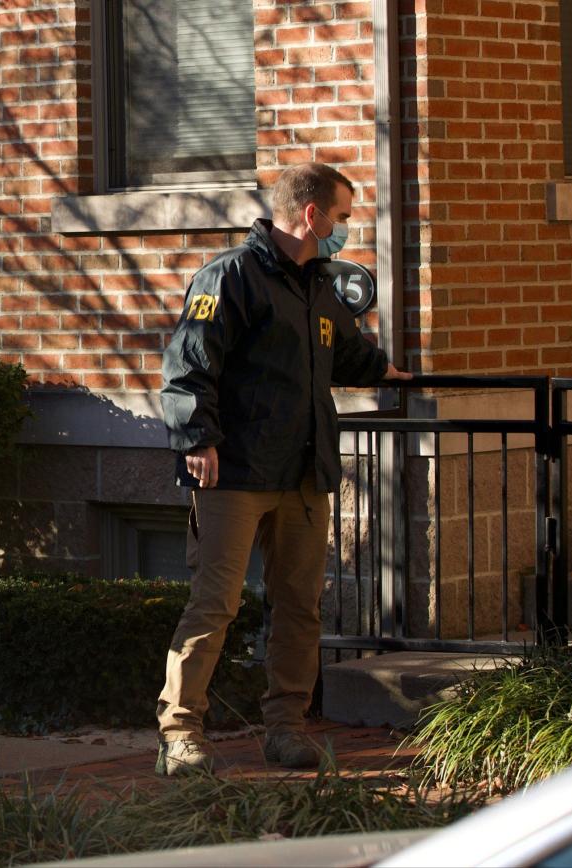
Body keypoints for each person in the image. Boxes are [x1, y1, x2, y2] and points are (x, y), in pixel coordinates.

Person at [156, 162, 411, 775]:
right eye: (343, 218)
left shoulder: (317, 284)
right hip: (234, 472)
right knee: (214, 604)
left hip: (303, 473)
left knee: (299, 606)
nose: (346, 230)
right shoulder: (230, 277)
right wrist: (198, 439)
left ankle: (285, 728)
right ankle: (180, 733)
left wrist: (384, 372)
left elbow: (344, 352)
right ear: (310, 214)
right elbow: (188, 365)